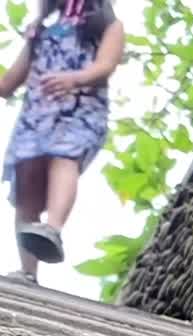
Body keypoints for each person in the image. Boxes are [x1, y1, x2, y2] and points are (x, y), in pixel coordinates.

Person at [0, 0, 123, 285]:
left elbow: (106, 65)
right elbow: (8, 84)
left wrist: (75, 78)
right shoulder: (41, 32)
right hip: (36, 117)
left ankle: (52, 228)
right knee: (26, 184)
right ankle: (28, 270)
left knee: (63, 158)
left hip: (79, 110)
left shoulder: (106, 26)